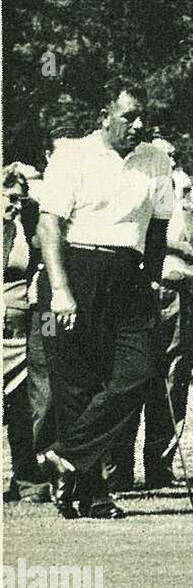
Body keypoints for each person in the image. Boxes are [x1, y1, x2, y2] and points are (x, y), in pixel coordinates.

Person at [33, 80, 187, 519]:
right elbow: (49, 229)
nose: (138, 125)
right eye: (129, 117)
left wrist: (153, 281)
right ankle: (92, 494)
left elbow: (157, 230)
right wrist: (61, 292)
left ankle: (64, 455)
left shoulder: (156, 160)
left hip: (129, 275)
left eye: (143, 118)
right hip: (75, 270)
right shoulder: (73, 154)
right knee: (77, 385)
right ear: (105, 115)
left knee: (136, 375)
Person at [107, 136, 193, 491]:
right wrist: (172, 244)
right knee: (129, 374)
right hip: (141, 289)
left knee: (173, 378)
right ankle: (118, 469)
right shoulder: (137, 189)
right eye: (162, 157)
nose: (169, 163)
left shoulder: (190, 194)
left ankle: (160, 467)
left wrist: (185, 203)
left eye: (174, 157)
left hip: (177, 293)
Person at [2, 164, 48, 502]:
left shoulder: (25, 226)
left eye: (20, 199)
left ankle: (27, 480)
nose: (15, 204)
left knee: (22, 408)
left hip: (23, 329)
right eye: (10, 197)